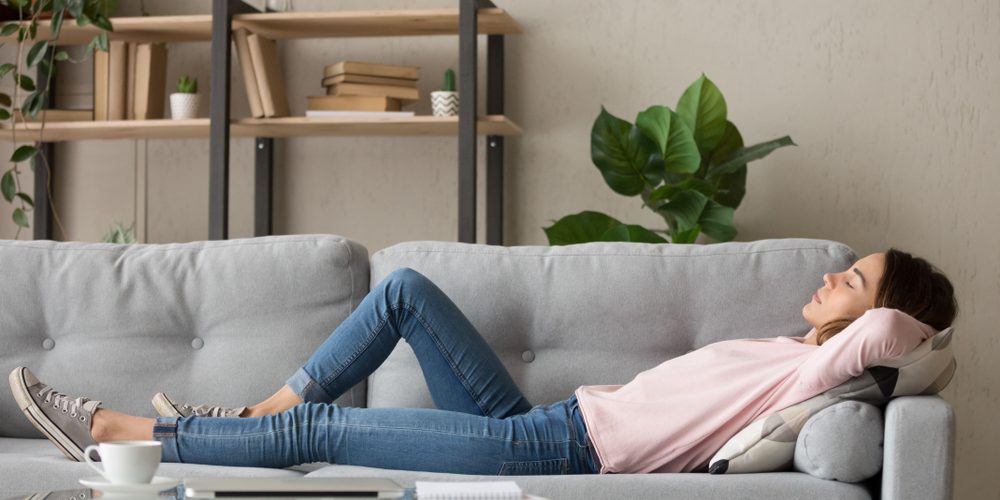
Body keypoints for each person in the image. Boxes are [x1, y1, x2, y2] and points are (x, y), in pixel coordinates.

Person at [9, 248, 958, 475]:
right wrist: (858, 310)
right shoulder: (795, 350)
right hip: (542, 420)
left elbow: (897, 344)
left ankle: (112, 433)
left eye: (853, 280)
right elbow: (874, 329)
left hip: (560, 455)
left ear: (882, 313)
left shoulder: (827, 371)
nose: (832, 276)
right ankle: (249, 418)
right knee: (405, 291)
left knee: (329, 433)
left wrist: (907, 318)